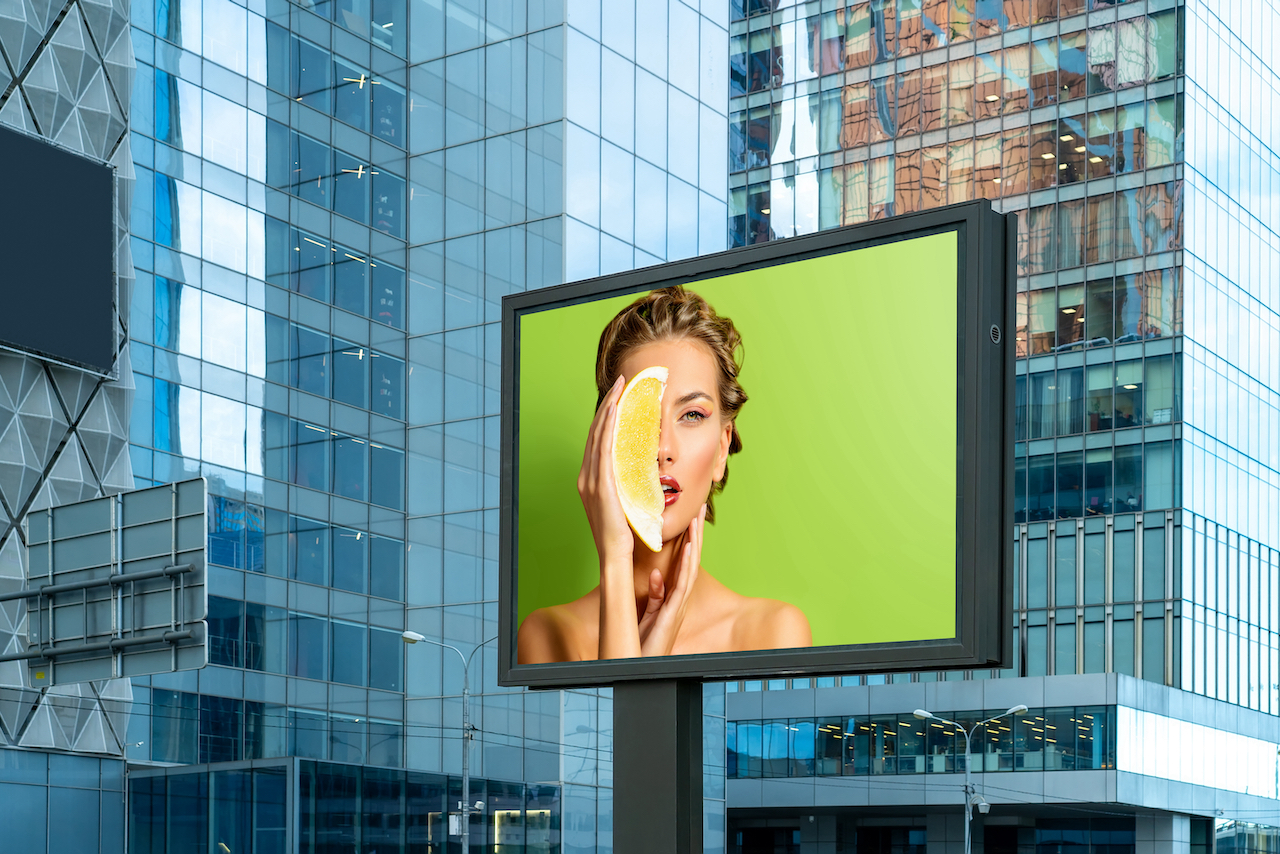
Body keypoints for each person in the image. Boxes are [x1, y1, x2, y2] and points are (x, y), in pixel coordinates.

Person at [517, 286, 812, 663]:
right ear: (606, 439)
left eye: (692, 415)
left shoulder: (772, 634)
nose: (662, 449)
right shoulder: (550, 635)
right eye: (641, 419)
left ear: (722, 448)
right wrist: (615, 560)